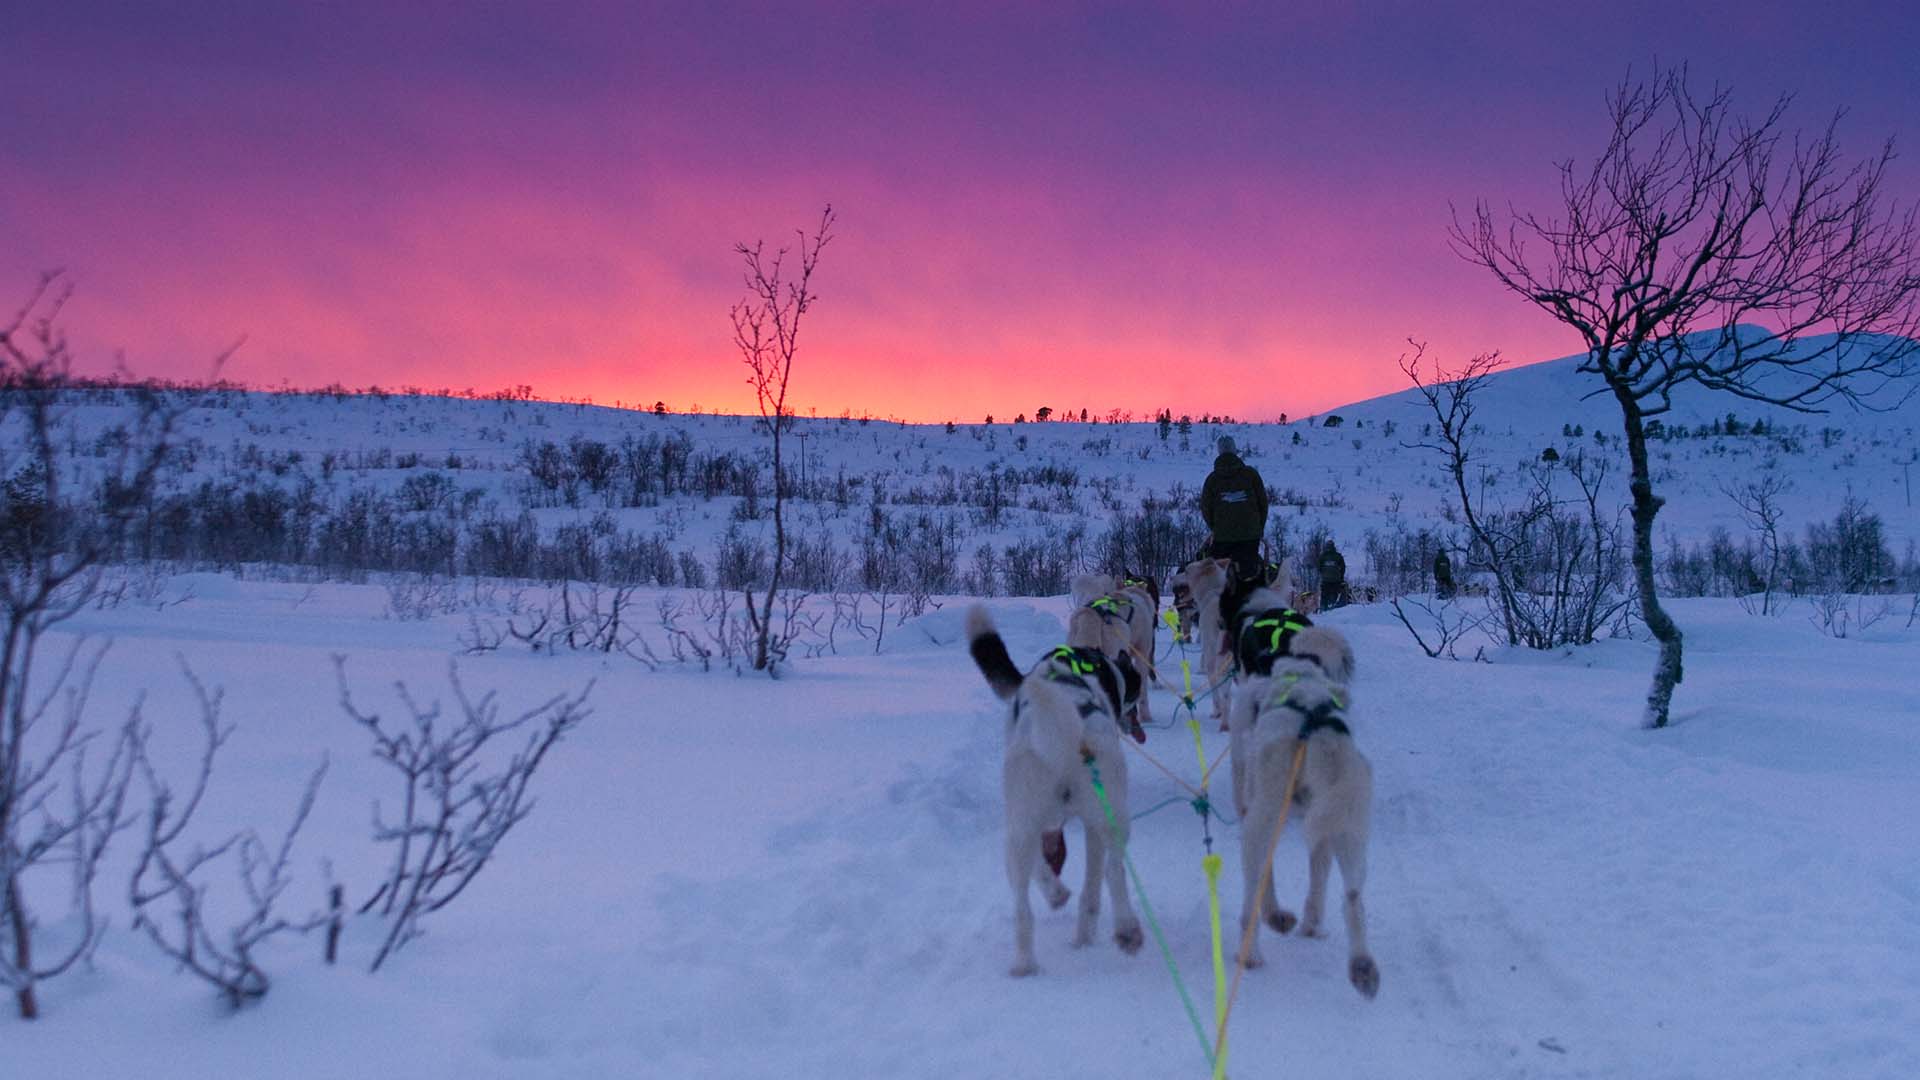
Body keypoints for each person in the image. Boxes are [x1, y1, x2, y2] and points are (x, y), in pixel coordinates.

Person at [1200, 435, 1268, 583]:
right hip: (1250, 536)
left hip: (1222, 537)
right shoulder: (1251, 475)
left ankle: (1225, 602)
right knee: (1249, 577)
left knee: (1221, 578)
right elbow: (1263, 503)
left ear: (1219, 452)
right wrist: (1258, 527)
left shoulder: (1212, 479)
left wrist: (1216, 527)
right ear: (1235, 450)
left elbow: (1206, 508)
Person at [1317, 538, 1349, 609]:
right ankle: (1333, 610)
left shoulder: (1322, 556)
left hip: (1325, 580)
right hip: (1336, 580)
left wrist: (1323, 574)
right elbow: (1343, 567)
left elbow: (1319, 567)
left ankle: (1323, 609)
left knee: (1324, 596)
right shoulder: (1338, 556)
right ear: (1333, 546)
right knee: (1334, 595)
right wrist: (1341, 578)